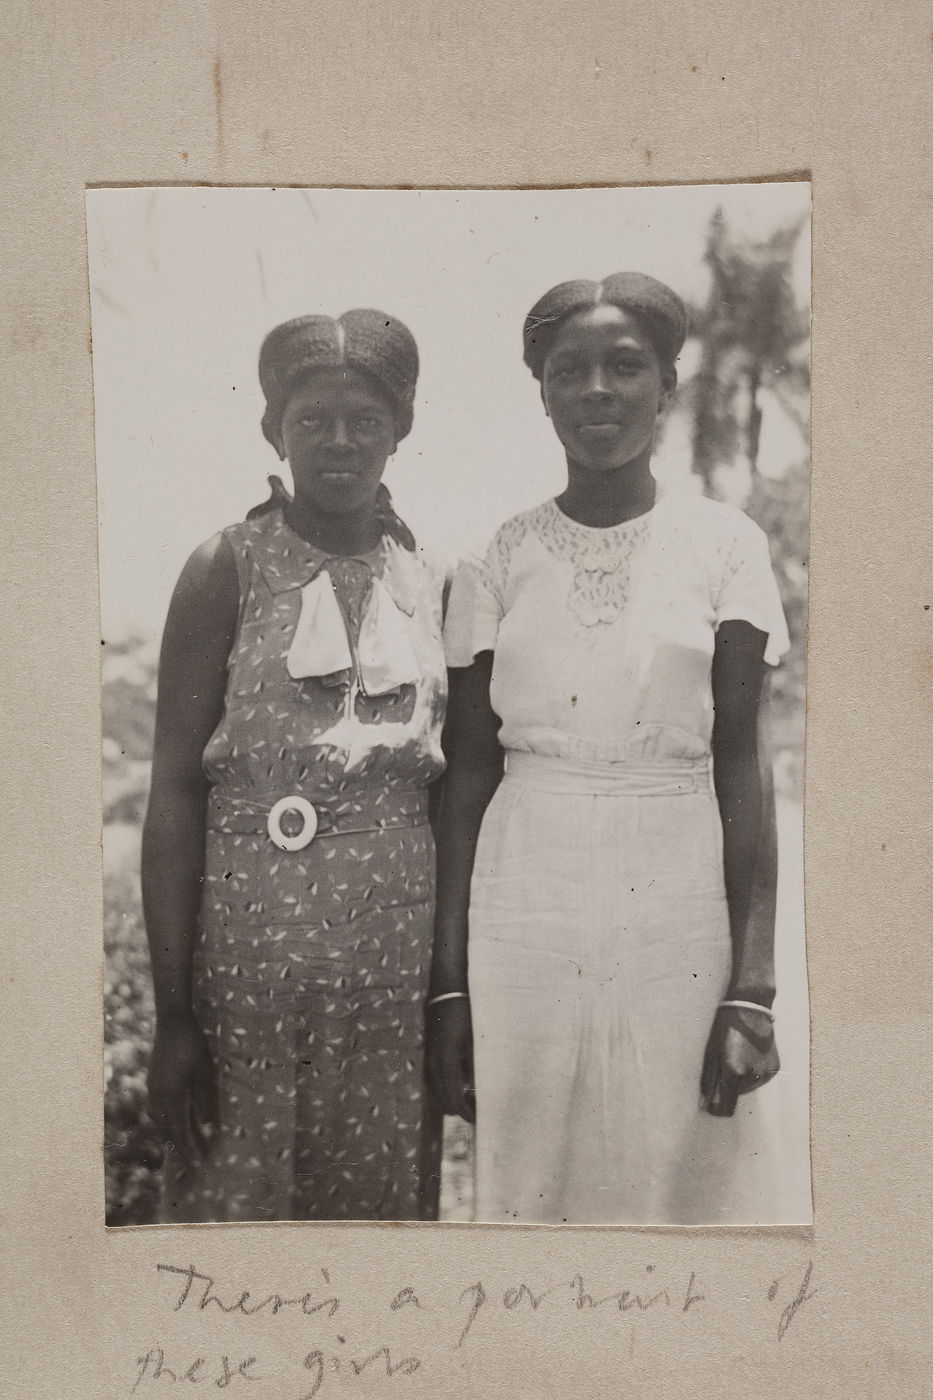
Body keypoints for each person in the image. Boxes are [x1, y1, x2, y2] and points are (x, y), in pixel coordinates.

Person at [429, 272, 791, 1225]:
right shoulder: (493, 559)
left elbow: (743, 764)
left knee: (692, 1180)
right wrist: (448, 987)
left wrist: (751, 988)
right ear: (541, 392)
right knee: (536, 1181)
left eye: (624, 367)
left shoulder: (724, 546)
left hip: (679, 894)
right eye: (568, 370)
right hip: (523, 901)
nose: (596, 390)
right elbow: (467, 774)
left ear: (668, 387)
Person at [142, 309, 447, 1222]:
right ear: (274, 427)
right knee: (234, 1212)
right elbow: (172, 795)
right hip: (245, 964)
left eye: (366, 421)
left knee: (375, 1213)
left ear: (401, 431)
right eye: (313, 420)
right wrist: (172, 1016)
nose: (340, 442)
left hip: (393, 966)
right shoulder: (223, 568)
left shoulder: (431, 581)